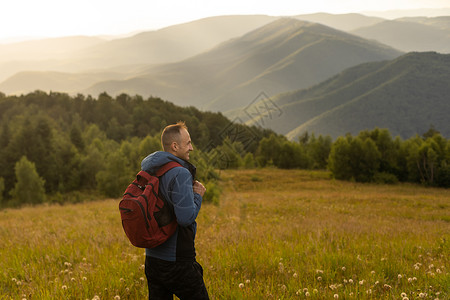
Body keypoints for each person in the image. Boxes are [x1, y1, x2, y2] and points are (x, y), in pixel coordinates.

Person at [141, 121, 209, 300]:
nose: (191, 148)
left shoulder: (152, 170)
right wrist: (198, 196)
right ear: (175, 146)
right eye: (188, 143)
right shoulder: (180, 173)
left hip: (152, 259)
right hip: (178, 260)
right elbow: (185, 219)